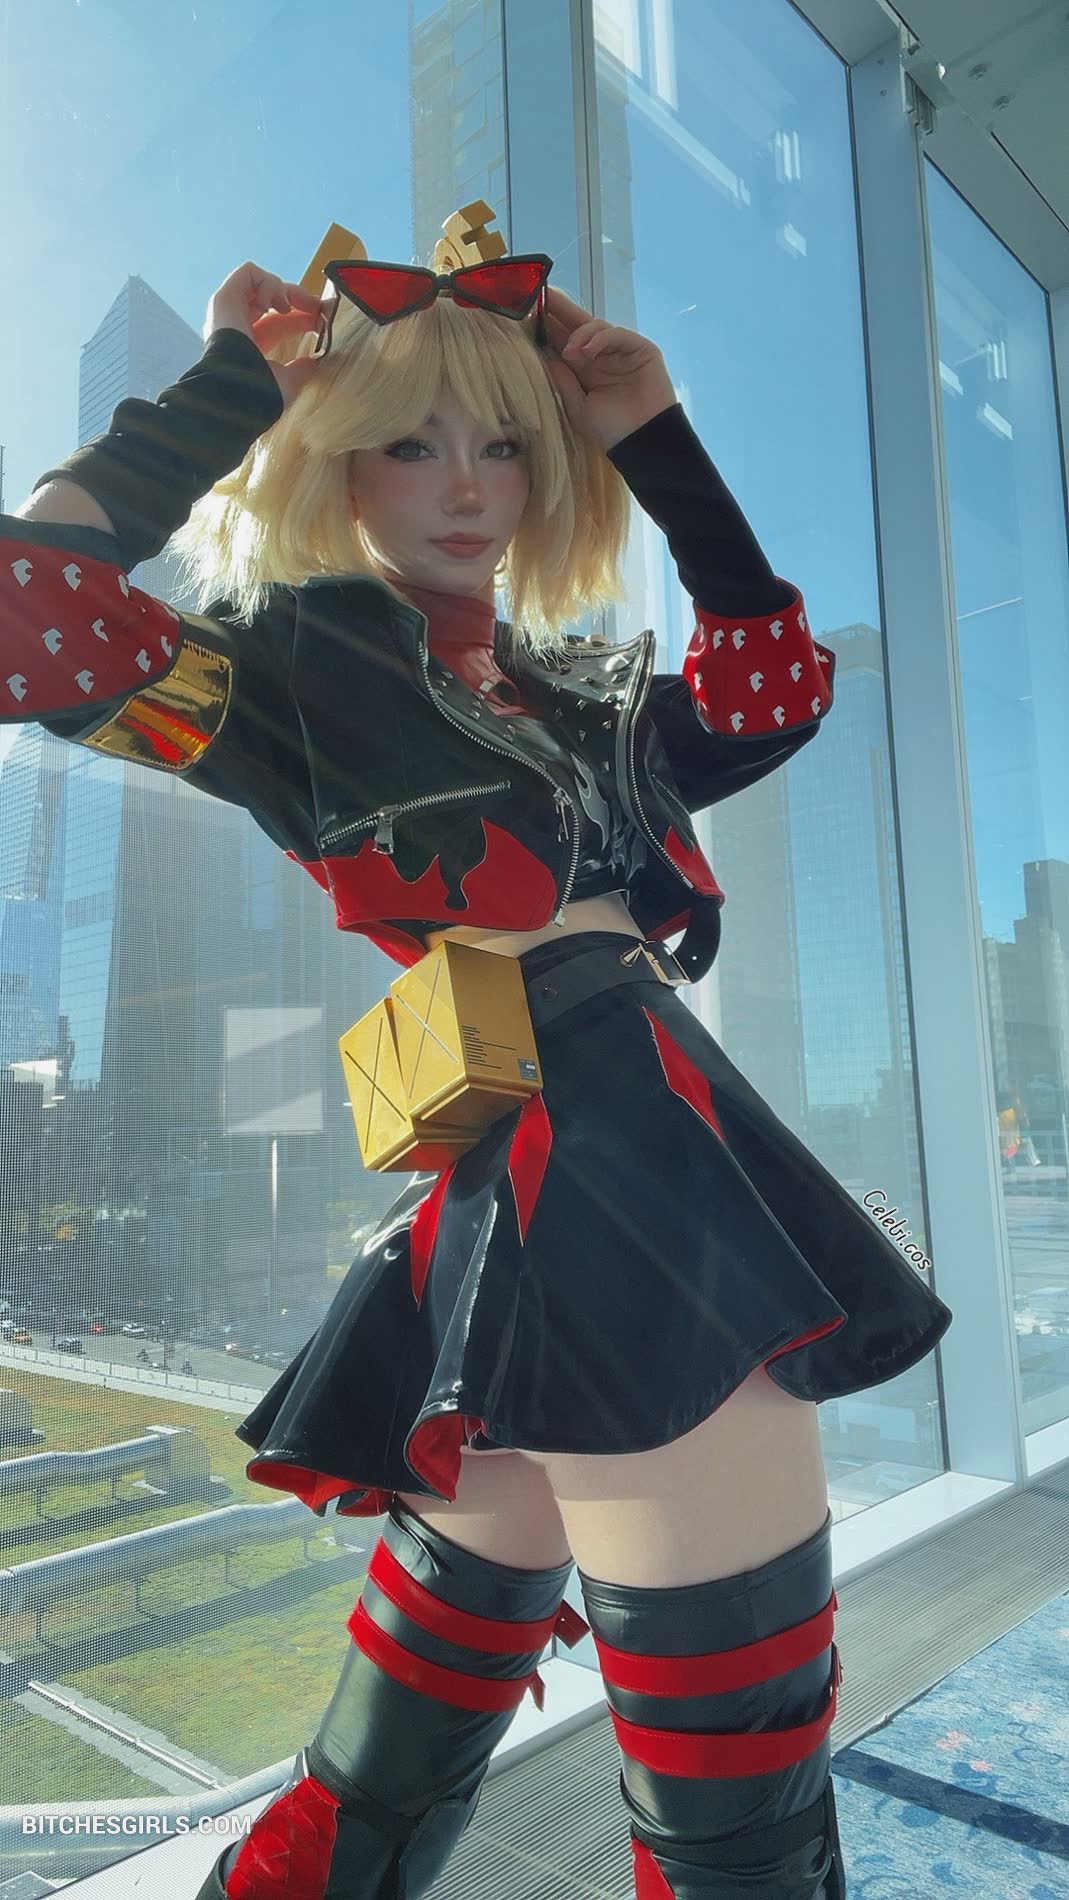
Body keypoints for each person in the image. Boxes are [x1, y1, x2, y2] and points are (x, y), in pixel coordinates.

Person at [3, 206, 952, 1900]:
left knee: (419, 1712)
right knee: (736, 1776)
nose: (465, 486)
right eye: (410, 443)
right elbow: (30, 614)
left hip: (570, 1157)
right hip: (599, 1168)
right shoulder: (287, 671)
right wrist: (229, 382)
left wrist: (650, 429)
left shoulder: (579, 688)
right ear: (336, 463)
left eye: (503, 446)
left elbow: (768, 690)